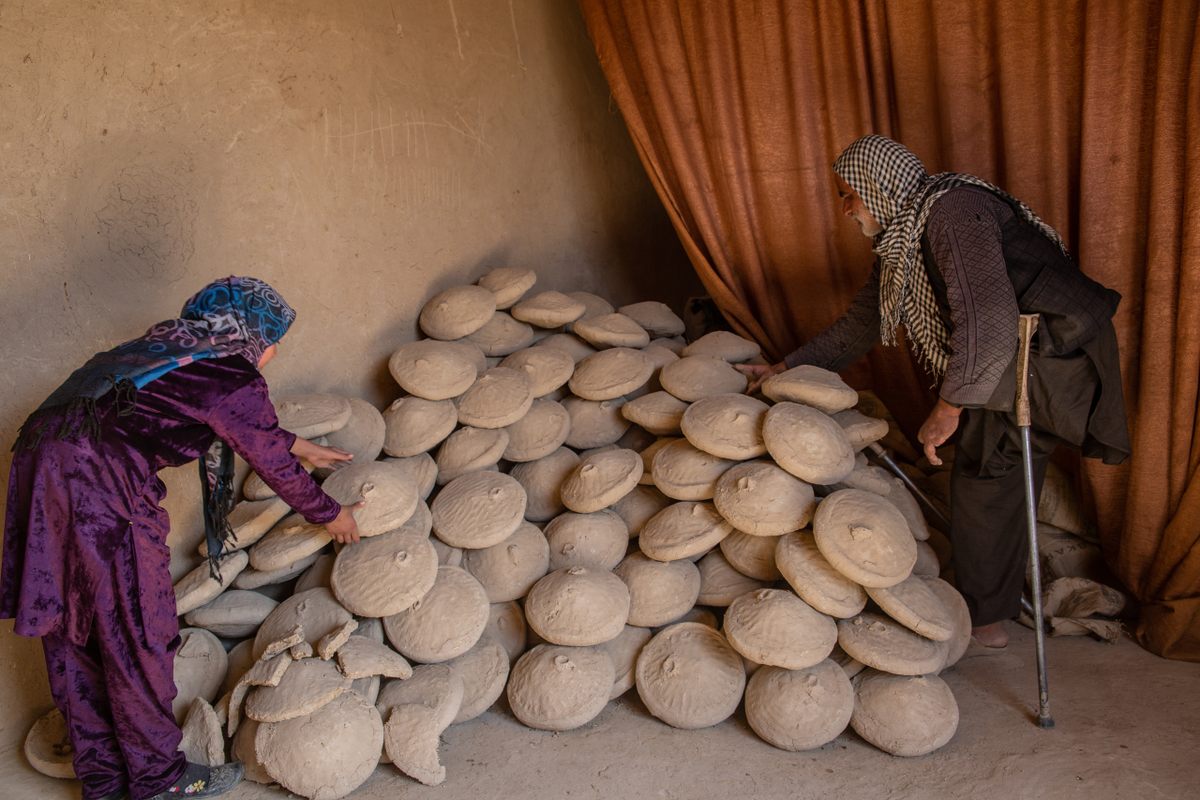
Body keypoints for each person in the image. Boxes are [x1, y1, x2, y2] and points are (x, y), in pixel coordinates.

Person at [738, 135, 1130, 648]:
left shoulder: (952, 213)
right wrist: (784, 367)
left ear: (879, 187)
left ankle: (986, 619)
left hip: (1051, 349)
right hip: (1013, 352)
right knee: (996, 474)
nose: (846, 207)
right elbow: (863, 323)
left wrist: (948, 408)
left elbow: (988, 319)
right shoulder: (904, 241)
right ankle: (996, 602)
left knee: (986, 475)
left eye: (849, 192)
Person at [1, 276, 362, 800]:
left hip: (43, 479)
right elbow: (262, 451)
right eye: (272, 338)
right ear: (251, 332)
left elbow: (200, 414)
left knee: (74, 628)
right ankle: (156, 781)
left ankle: (103, 781)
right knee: (138, 628)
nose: (273, 351)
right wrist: (331, 514)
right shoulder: (229, 371)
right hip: (101, 490)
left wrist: (296, 444)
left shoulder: (169, 352)